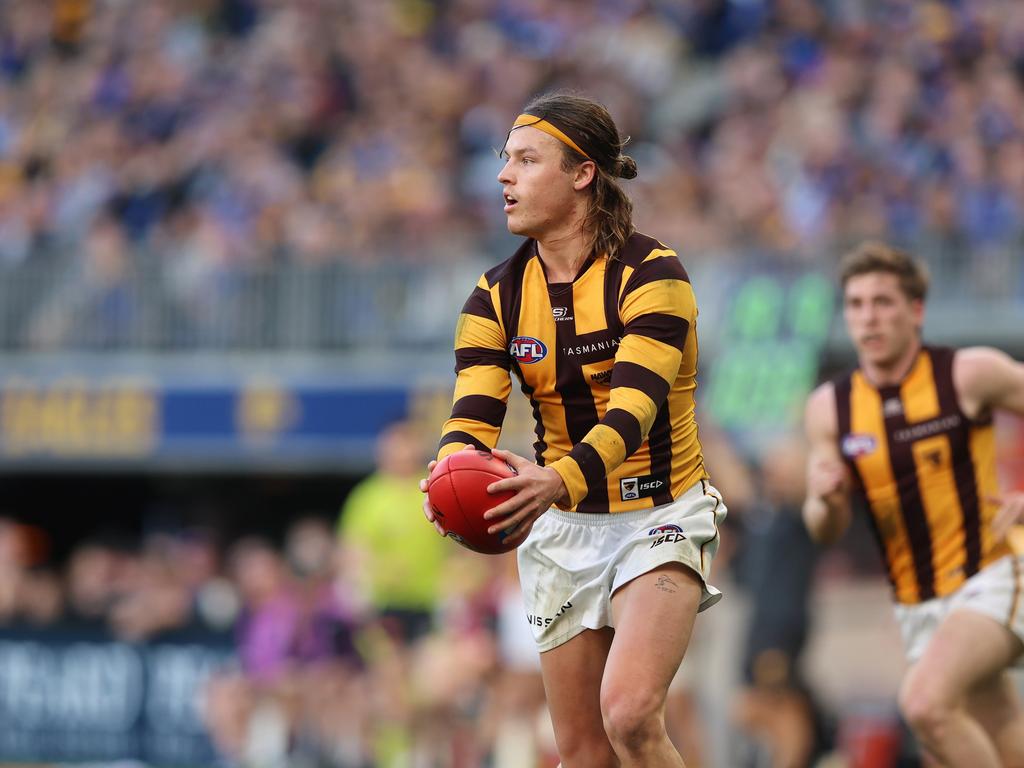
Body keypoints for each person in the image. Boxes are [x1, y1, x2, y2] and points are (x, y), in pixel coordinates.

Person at [420, 91, 727, 768]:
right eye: (505, 161)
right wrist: (448, 472)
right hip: (562, 533)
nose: (503, 175)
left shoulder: (654, 274)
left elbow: (633, 410)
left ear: (582, 172)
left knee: (631, 714)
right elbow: (473, 412)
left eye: (526, 160)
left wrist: (555, 479)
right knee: (582, 754)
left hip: (660, 513)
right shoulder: (492, 296)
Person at [802, 240, 1024, 767]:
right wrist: (826, 501)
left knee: (925, 704)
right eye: (856, 304)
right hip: (916, 602)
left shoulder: (967, 373)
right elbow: (822, 529)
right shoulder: (830, 408)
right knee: (991, 732)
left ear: (916, 310)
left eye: (883, 302)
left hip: (995, 574)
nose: (868, 317)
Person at [340, 420, 451, 644]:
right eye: (396, 442)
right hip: (384, 604)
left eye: (408, 441)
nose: (403, 450)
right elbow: (353, 552)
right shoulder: (367, 496)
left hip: (431, 601)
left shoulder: (435, 487)